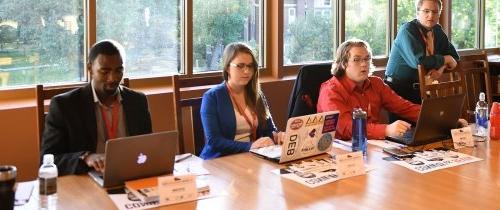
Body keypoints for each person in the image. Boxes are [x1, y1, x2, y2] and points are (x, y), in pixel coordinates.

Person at [41, 40, 152, 175]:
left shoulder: (137, 101)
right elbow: (48, 160)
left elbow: (147, 147)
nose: (113, 78)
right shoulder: (65, 106)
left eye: (119, 70)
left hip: (131, 173)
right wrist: (86, 157)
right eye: (105, 71)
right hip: (87, 178)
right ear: (90, 69)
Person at [317, 39, 421, 140]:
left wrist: (432, 116)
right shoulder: (331, 91)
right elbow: (345, 128)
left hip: (373, 145)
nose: (364, 64)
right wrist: (386, 130)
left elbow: (403, 107)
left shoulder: (376, 83)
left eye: (367, 59)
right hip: (341, 150)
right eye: (356, 59)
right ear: (344, 64)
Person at [199, 42, 282, 159]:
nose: (247, 71)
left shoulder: (257, 95)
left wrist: (278, 136)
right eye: (240, 66)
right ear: (227, 67)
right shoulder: (212, 97)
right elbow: (214, 141)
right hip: (220, 160)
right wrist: (250, 146)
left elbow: (269, 130)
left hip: (253, 158)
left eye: (250, 66)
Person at [384, 0, 459, 122]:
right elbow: (419, 62)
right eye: (426, 11)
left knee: (425, 131)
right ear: (417, 12)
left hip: (422, 89)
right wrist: (446, 59)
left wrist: (440, 69)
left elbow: (454, 56)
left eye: (435, 12)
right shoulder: (407, 30)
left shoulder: (438, 31)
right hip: (399, 90)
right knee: (403, 135)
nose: (431, 16)